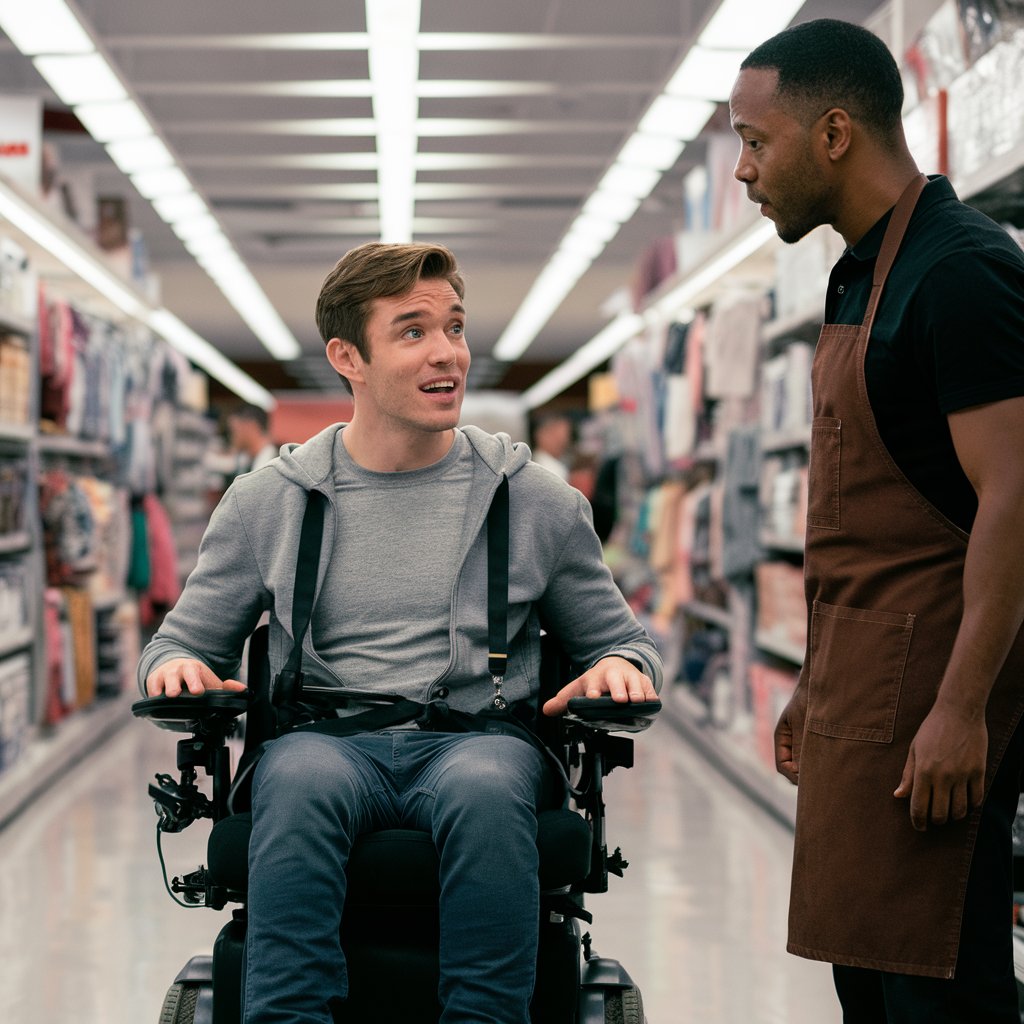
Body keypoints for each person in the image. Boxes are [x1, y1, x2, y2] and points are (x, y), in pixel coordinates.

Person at [137, 241, 663, 1024]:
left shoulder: (536, 503)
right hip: (324, 740)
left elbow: (624, 643)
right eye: (413, 332)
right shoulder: (267, 503)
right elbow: (178, 645)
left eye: (454, 327)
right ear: (348, 356)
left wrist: (619, 665)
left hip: (481, 740)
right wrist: (176, 667)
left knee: (486, 789)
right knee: (300, 781)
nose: (448, 352)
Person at [729, 18, 1024, 1022]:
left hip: (935, 699)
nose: (742, 170)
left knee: (941, 985)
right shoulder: (860, 271)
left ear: (835, 134)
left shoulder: (960, 273)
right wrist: (815, 680)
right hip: (865, 689)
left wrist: (962, 708)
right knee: (873, 981)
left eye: (755, 141)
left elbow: (1014, 499)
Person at [227, 402, 278, 473]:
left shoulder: (275, 467)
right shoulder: (247, 461)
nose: (231, 437)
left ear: (250, 426)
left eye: (233, 431)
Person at [530, 411, 573, 481]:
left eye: (567, 436)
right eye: (556, 437)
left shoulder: (557, 466)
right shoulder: (551, 469)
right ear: (541, 435)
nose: (565, 442)